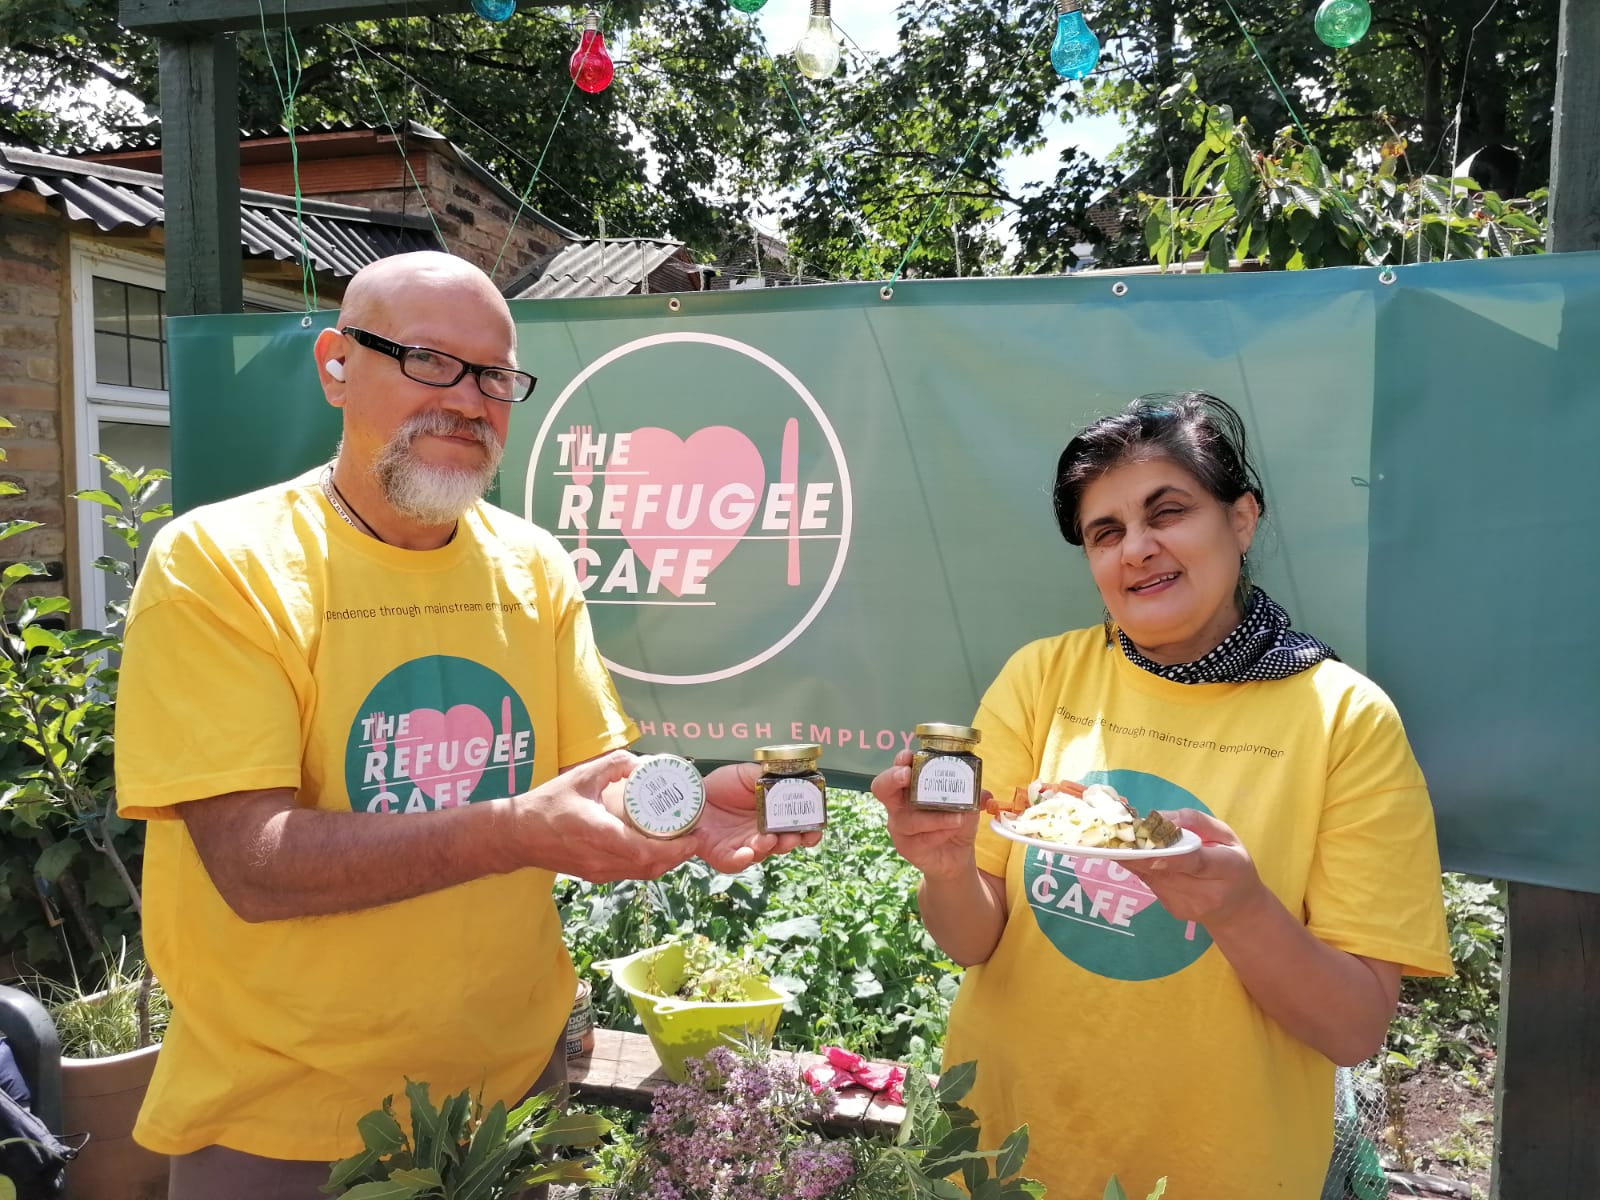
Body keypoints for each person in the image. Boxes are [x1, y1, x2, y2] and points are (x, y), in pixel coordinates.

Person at [113, 251, 818, 1200]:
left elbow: (597, 783)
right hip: (289, 1120)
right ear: (335, 365)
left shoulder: (532, 563)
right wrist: (511, 828)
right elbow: (254, 866)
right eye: (427, 360)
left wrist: (691, 808)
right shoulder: (219, 562)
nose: (468, 399)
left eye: (494, 375)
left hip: (517, 1092)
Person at [871, 393, 1451, 1199]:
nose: (1136, 549)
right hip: (1005, 1155)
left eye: (1166, 512)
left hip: (1224, 1170)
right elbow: (972, 940)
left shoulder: (1346, 719)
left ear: (1242, 520)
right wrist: (945, 868)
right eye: (1105, 533)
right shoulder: (1042, 677)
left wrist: (1239, 907)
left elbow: (1353, 1028)